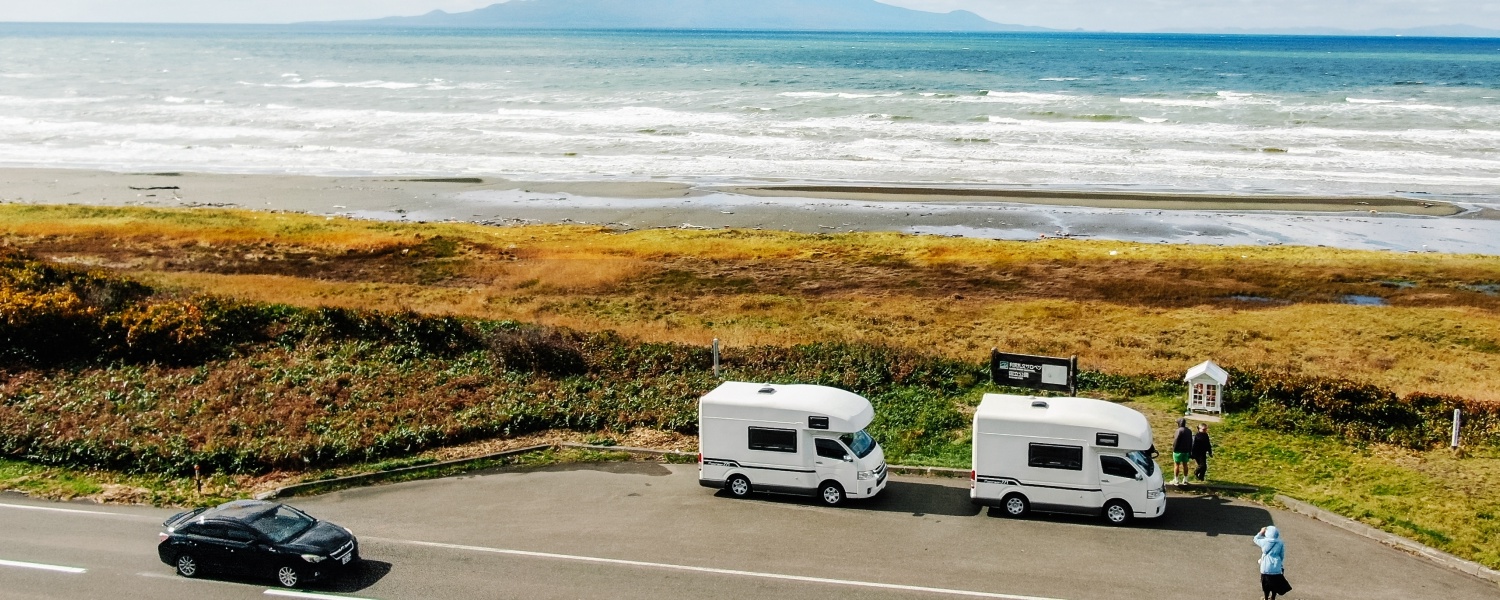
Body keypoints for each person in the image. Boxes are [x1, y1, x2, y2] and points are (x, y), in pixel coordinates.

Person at [1254, 526, 1293, 599]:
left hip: (1265, 568)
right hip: (1276, 568)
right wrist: (1279, 564)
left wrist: (1261, 532)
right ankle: (1273, 597)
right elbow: (1282, 555)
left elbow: (1255, 539)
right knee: (1275, 584)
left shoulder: (1264, 541)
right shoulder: (1280, 543)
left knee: (1266, 585)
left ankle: (1266, 597)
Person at [1171, 418, 1193, 485]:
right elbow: (1191, 441)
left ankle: (1176, 480)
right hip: (1186, 451)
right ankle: (1185, 480)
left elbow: (1176, 440)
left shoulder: (1178, 430)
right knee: (1185, 465)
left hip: (1178, 450)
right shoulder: (1189, 431)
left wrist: (1174, 448)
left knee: (1177, 465)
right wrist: (1190, 450)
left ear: (1179, 423)